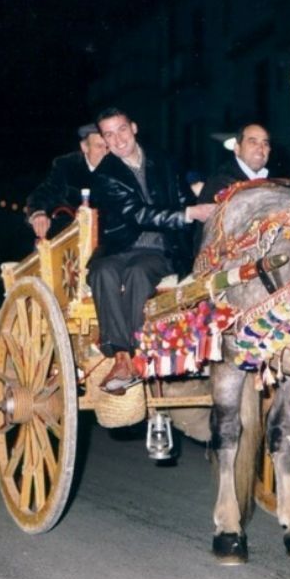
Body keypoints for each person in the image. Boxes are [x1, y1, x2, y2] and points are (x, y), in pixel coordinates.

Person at [88, 107, 216, 393]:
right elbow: (137, 214)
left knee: (137, 272)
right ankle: (121, 356)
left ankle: (133, 356)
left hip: (160, 249)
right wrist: (188, 213)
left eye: (121, 129)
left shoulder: (164, 160)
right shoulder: (105, 174)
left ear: (133, 127)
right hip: (120, 247)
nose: (118, 139)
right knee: (101, 271)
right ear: (104, 141)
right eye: (109, 135)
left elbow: (183, 196)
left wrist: (193, 214)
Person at [25, 123, 108, 239]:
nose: (105, 153)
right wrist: (38, 213)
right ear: (84, 147)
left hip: (105, 237)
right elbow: (43, 193)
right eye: (99, 146)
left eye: (108, 147)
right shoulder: (66, 165)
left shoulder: (118, 166)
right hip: (68, 235)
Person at [197, 123, 271, 205]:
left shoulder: (275, 182)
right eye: (253, 142)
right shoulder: (221, 182)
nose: (260, 148)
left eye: (265, 144)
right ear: (237, 149)